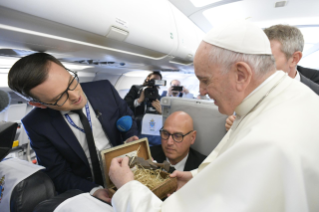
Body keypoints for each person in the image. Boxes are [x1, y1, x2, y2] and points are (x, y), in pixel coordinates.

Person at [108, 21, 319, 211]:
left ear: (241, 75)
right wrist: (194, 178)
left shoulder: (269, 141)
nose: (201, 91)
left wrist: (127, 186)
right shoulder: (280, 97)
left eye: (206, 80)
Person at [7, 53, 139, 201]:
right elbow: (58, 174)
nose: (75, 95)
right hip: (86, 191)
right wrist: (93, 190)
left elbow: (126, 115)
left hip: (126, 174)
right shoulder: (36, 124)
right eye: (59, 97)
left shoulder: (104, 88)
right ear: (39, 104)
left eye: (71, 82)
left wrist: (130, 136)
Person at [225, 24, 319, 131]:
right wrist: (235, 125)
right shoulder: (249, 87)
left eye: (268, 60)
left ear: (294, 59)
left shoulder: (316, 96)